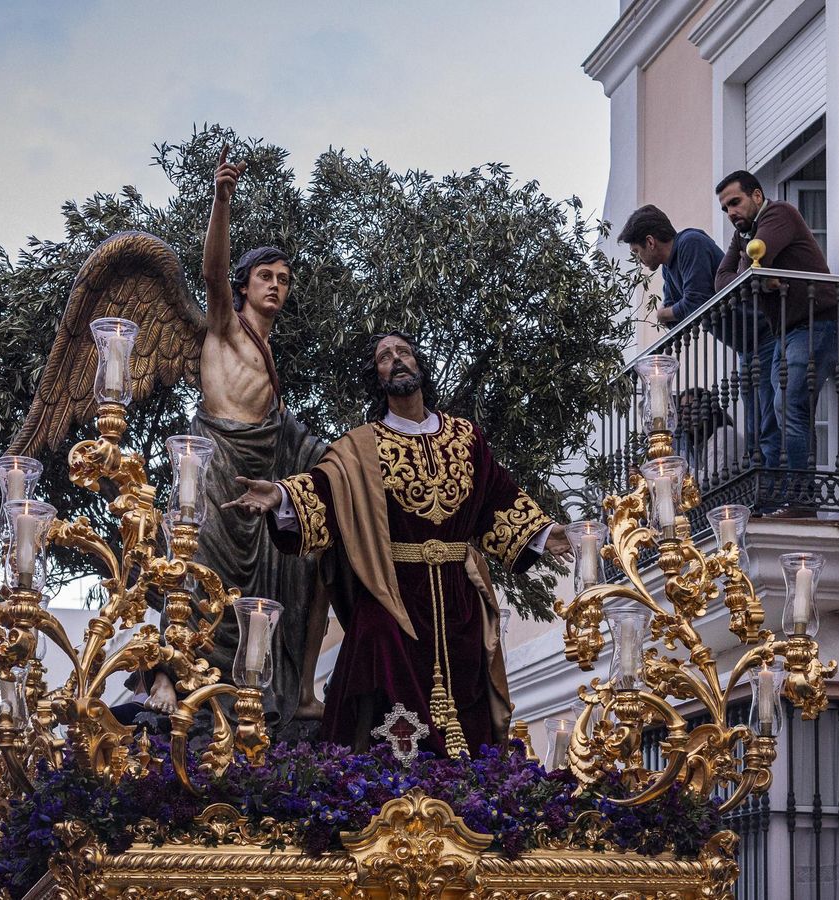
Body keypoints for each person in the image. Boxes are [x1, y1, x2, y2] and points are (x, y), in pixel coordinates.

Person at [223, 332, 571, 756]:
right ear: (378, 376)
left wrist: (544, 532)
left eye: (403, 351)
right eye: (385, 357)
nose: (396, 359)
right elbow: (325, 490)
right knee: (378, 683)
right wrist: (279, 496)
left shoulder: (466, 437)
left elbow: (499, 501)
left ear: (418, 364)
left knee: (469, 706)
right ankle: (376, 800)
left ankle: (473, 800)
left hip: (460, 603)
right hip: (392, 596)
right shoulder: (360, 448)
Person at [191, 146, 329, 742]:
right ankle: (192, 686)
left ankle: (275, 693)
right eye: (265, 277)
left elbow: (287, 430)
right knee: (207, 583)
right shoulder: (225, 324)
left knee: (265, 590)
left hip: (261, 477)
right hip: (220, 465)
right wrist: (222, 199)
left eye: (284, 280)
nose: (276, 286)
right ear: (245, 285)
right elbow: (211, 273)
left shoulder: (271, 353)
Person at [712, 171, 836, 513]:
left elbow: (758, 261)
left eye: (735, 202)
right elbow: (722, 282)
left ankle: (801, 499)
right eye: (725, 208)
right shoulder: (744, 237)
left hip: (815, 324)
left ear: (756, 195)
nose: (731, 213)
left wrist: (755, 275)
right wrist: (756, 279)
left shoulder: (778, 214)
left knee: (787, 406)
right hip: (787, 333)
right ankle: (794, 496)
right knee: (787, 412)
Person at [616, 205, 725, 326]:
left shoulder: (690, 243)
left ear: (650, 242)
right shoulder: (667, 267)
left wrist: (661, 314)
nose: (638, 260)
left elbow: (696, 303)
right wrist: (669, 314)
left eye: (636, 251)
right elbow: (674, 319)